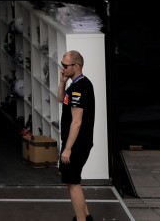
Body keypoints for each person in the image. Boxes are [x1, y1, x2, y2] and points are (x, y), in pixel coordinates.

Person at [59, 50, 96, 221]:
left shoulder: (79, 89)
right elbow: (61, 100)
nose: (62, 69)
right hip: (75, 142)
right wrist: (62, 82)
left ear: (77, 66)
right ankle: (86, 216)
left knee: (73, 183)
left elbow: (77, 121)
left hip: (76, 144)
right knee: (72, 181)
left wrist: (67, 148)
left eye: (65, 66)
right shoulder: (75, 85)